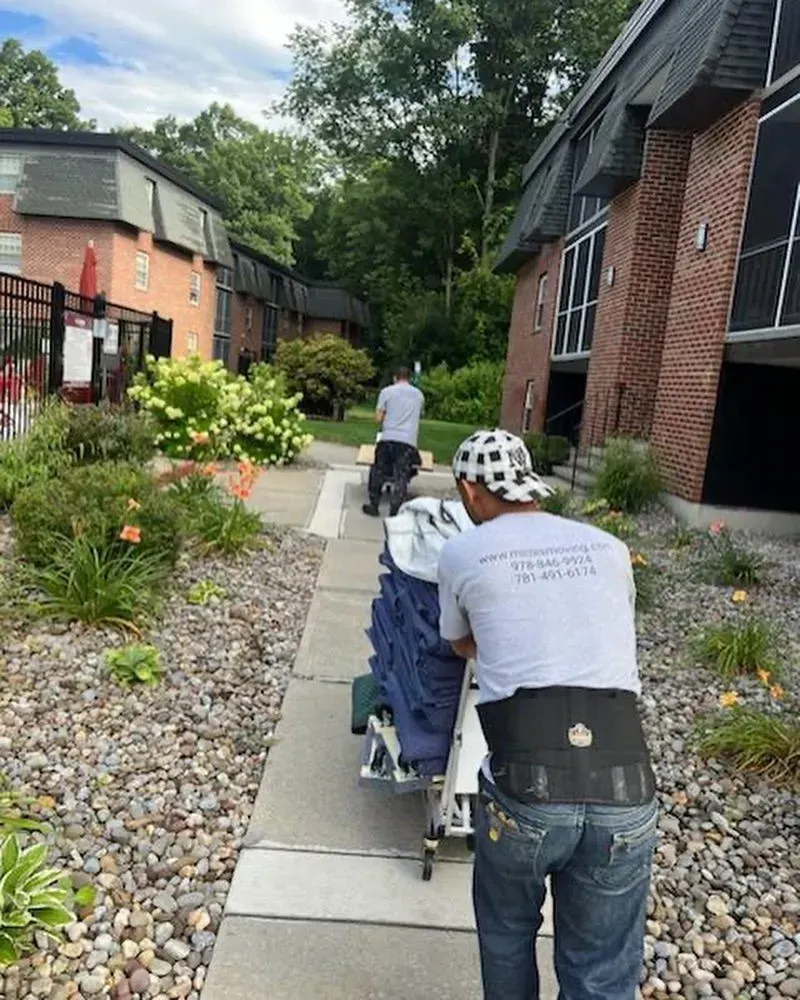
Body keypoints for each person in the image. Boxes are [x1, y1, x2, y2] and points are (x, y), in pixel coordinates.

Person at [437, 429, 657, 1000]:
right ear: (528, 483)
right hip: (625, 781)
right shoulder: (608, 547)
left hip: (527, 784)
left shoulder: (464, 552)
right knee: (601, 970)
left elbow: (461, 642)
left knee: (508, 933)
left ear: (470, 489)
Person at [362, 366, 425, 518]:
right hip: (408, 442)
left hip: (388, 438)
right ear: (409, 378)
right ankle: (395, 511)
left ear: (395, 378)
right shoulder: (419, 395)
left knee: (378, 471)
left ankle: (374, 505)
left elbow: (379, 418)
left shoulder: (387, 392)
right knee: (401, 476)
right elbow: (420, 415)